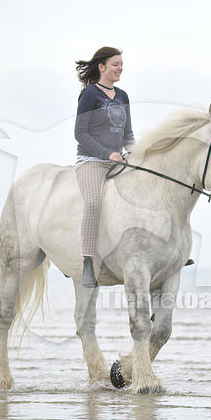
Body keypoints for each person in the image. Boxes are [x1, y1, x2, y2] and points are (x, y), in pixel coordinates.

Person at [74, 46, 135, 287]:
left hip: (118, 161)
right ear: (101, 67)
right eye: (115, 64)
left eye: (121, 64)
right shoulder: (90, 95)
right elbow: (80, 133)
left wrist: (136, 154)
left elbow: (128, 133)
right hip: (92, 161)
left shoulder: (123, 96)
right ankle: (88, 260)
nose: (120, 68)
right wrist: (106, 153)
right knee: (93, 203)